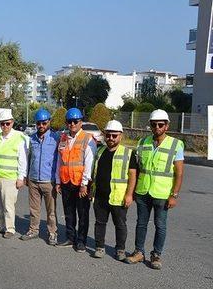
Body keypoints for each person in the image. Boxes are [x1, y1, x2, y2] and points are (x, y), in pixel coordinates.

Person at [126, 109, 184, 270]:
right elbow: (136, 169)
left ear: (166, 126)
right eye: (154, 124)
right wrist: (132, 191)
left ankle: (156, 255)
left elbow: (179, 173)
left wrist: (174, 195)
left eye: (160, 124)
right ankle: (139, 252)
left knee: (160, 225)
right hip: (143, 191)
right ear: (150, 125)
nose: (157, 127)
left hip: (162, 193)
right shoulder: (143, 142)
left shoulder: (176, 144)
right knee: (141, 224)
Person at [90, 120, 137, 260]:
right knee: (100, 223)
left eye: (114, 135)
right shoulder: (100, 151)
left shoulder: (128, 153)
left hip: (119, 196)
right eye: (108, 135)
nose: (110, 138)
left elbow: (133, 175)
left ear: (120, 135)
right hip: (100, 196)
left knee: (120, 225)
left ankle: (120, 250)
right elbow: (94, 172)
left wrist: (129, 195)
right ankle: (99, 247)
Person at [55, 107, 97, 253]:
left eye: (75, 121)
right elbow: (59, 162)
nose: (72, 124)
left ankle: (81, 241)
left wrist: (85, 184)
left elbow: (89, 163)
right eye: (69, 121)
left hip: (80, 184)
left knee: (83, 214)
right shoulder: (63, 138)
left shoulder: (88, 138)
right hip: (66, 181)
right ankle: (70, 237)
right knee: (69, 212)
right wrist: (58, 181)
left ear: (81, 122)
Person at [0, 109, 29, 239]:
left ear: (12, 123)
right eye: (2, 124)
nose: (5, 126)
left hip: (10, 178)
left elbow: (23, 160)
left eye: (7, 123)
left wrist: (21, 177)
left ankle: (10, 228)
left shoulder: (19, 138)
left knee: (8, 204)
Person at [21, 108, 59, 245]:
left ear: (49, 122)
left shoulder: (56, 138)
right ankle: (33, 230)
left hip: (49, 180)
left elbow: (60, 159)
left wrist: (58, 180)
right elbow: (28, 158)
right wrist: (26, 175)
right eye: (39, 123)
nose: (41, 126)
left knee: (51, 210)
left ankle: (52, 232)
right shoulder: (32, 139)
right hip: (33, 179)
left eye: (44, 123)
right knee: (34, 208)